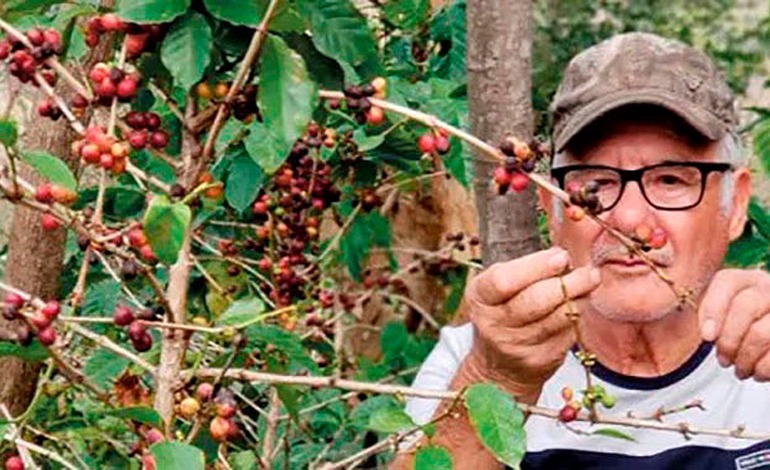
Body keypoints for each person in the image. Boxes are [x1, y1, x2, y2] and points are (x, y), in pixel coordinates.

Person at [392, 32, 770, 469]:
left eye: (671, 180)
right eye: (595, 184)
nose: (629, 220)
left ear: (736, 203)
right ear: (550, 205)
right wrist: (496, 379)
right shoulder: (475, 358)